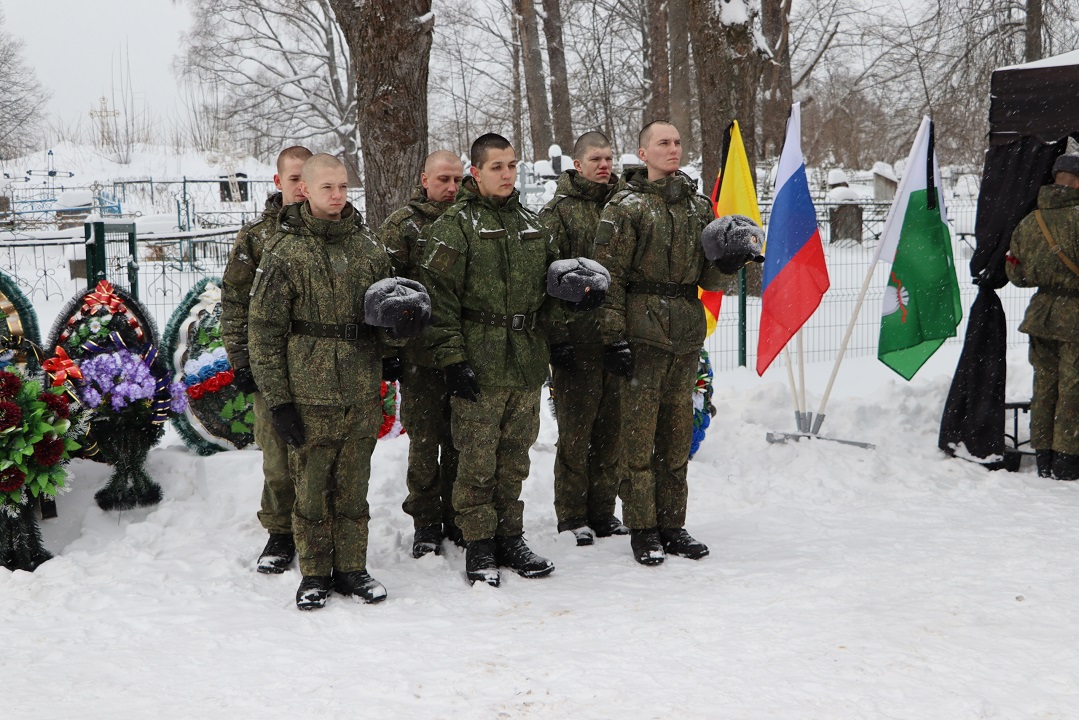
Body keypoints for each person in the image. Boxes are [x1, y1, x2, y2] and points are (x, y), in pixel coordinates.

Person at [248, 153, 424, 610]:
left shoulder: (367, 248)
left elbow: (385, 309)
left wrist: (394, 348)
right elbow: (264, 333)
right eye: (328, 187)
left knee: (353, 485)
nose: (338, 195)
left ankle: (352, 567)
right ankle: (314, 572)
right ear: (304, 189)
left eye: (344, 187)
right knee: (310, 488)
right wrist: (279, 401)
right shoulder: (285, 251)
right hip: (308, 390)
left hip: (359, 387)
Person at [419, 133, 564, 587]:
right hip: (479, 361)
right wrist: (452, 361)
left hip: (524, 360)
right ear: (476, 172)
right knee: (476, 460)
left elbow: (550, 292)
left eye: (512, 165)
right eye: (497, 167)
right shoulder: (455, 227)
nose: (507, 174)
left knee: (514, 458)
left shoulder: (532, 224)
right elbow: (438, 304)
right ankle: (479, 544)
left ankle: (510, 537)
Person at [594, 121, 738, 566]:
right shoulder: (625, 208)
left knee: (677, 435)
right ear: (643, 151)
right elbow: (609, 277)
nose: (673, 149)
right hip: (641, 332)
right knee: (638, 437)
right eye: (663, 143)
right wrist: (611, 336)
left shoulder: (699, 207)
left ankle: (673, 524)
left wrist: (729, 261)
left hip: (685, 333)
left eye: (677, 142)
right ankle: (642, 527)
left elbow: (710, 278)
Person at [220, 145, 311, 574]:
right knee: (276, 454)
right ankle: (280, 531)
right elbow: (235, 303)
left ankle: (319, 524)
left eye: (306, 178)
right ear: (279, 182)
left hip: (321, 366)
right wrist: (240, 360)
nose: (301, 187)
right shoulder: (256, 237)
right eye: (293, 179)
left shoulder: (332, 231)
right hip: (269, 362)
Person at [539, 131, 628, 546]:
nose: (604, 164)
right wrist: (558, 337)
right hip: (577, 337)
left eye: (609, 157)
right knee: (576, 431)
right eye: (595, 158)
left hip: (618, 336)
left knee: (612, 429)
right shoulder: (558, 213)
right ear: (577, 164)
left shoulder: (624, 204)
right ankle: (572, 514)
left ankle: (604, 511)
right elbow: (547, 280)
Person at [377, 150, 466, 557]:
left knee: (464, 441)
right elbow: (388, 291)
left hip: (465, 350)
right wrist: (392, 349)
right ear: (424, 178)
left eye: (457, 180)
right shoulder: (402, 226)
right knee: (426, 442)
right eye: (443, 179)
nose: (451, 188)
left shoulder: (469, 219)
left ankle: (460, 515)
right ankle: (426, 521)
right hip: (421, 356)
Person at [1005, 136, 1079, 481]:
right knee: (1073, 389)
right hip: (1076, 317)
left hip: (1041, 314)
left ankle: (1044, 455)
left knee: (1045, 385)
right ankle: (1068, 459)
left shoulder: (1029, 221)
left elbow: (1016, 274)